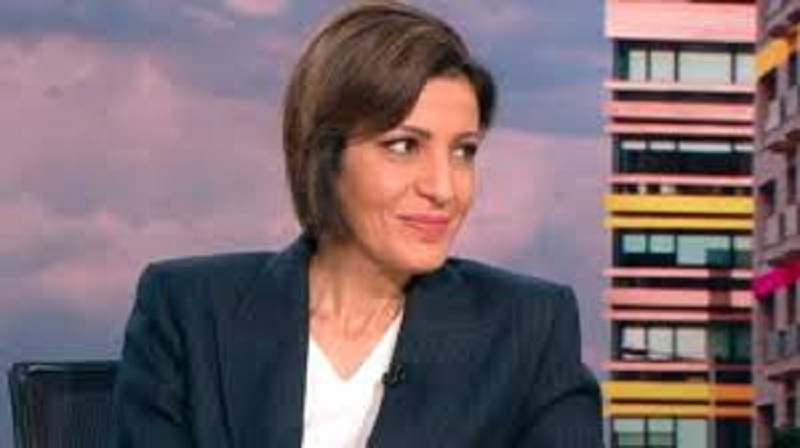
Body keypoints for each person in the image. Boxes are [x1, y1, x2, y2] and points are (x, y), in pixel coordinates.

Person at [113, 1, 603, 447]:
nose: (444, 188)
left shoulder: (528, 329)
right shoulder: (189, 311)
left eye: (464, 152)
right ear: (325, 155)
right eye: (404, 146)